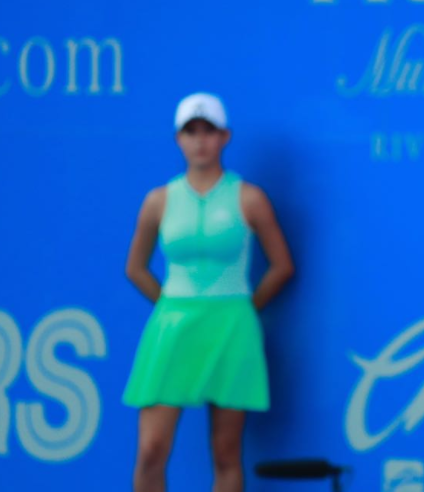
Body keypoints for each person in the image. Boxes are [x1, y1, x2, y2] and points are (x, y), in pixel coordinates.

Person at [123, 92, 295, 492]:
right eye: (191, 131)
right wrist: (171, 306)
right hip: (174, 329)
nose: (200, 140)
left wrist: (243, 309)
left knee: (225, 454)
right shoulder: (158, 201)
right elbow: (135, 268)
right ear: (178, 140)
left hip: (231, 329)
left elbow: (282, 266)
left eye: (209, 131)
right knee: (151, 450)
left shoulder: (249, 198)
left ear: (226, 137)